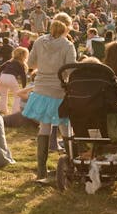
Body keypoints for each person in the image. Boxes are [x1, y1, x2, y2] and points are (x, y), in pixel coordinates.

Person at [21, 13, 76, 184]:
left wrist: (44, 66)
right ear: (67, 28)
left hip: (41, 89)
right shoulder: (68, 46)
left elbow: (30, 64)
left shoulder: (39, 41)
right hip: (58, 90)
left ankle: (41, 171)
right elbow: (70, 70)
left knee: (44, 127)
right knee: (65, 127)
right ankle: (72, 166)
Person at [0, 46, 29, 114]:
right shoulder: (21, 64)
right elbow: (23, 76)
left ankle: (2, 109)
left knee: (3, 94)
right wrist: (24, 87)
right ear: (23, 56)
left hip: (2, 77)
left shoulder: (9, 61)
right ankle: (15, 112)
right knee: (17, 96)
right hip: (11, 77)